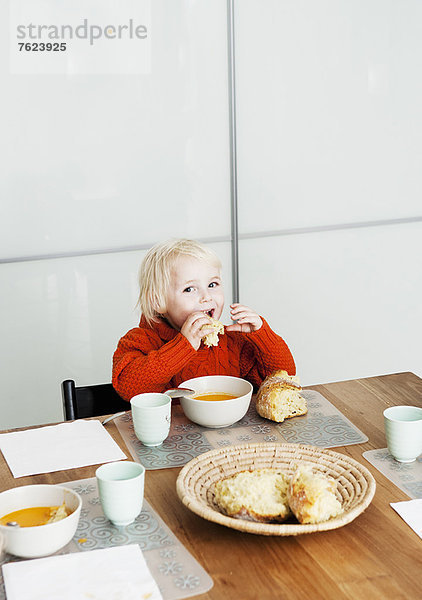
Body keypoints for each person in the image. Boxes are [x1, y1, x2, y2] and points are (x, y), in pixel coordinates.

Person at [112, 239, 296, 400]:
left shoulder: (232, 340)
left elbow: (284, 378)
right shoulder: (140, 340)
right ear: (157, 301)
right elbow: (130, 388)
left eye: (212, 284)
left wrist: (262, 335)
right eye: (190, 289)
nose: (206, 297)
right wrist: (183, 346)